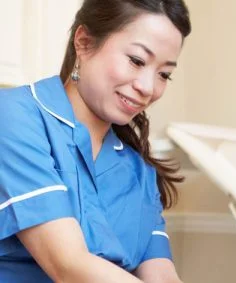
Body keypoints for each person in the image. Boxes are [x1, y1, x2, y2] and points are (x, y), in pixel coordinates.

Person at [0, 0, 190, 282]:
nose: (147, 88)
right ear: (84, 42)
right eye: (136, 60)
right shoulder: (14, 116)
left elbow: (161, 275)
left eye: (164, 74)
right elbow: (68, 265)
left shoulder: (139, 172)